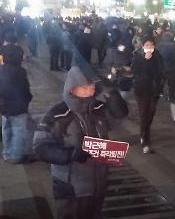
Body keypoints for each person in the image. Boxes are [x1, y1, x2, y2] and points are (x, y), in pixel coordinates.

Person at [33, 66, 128, 219]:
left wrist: (113, 94)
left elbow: (119, 116)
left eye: (91, 87)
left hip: (98, 183)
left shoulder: (97, 108)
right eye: (85, 87)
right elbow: (40, 147)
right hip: (70, 187)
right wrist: (71, 154)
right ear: (73, 88)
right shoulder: (58, 114)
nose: (90, 90)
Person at [0, 42, 34, 163]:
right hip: (18, 107)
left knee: (7, 130)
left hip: (4, 106)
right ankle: (15, 156)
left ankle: (7, 153)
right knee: (19, 132)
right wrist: (27, 98)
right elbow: (24, 89)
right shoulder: (20, 71)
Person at [131, 37, 164, 154]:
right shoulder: (137, 56)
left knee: (150, 116)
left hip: (154, 91)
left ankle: (143, 134)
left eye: (151, 45)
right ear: (143, 46)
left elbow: (160, 73)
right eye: (147, 45)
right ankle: (145, 141)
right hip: (141, 91)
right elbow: (135, 71)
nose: (149, 48)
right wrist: (145, 61)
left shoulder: (157, 56)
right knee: (144, 115)